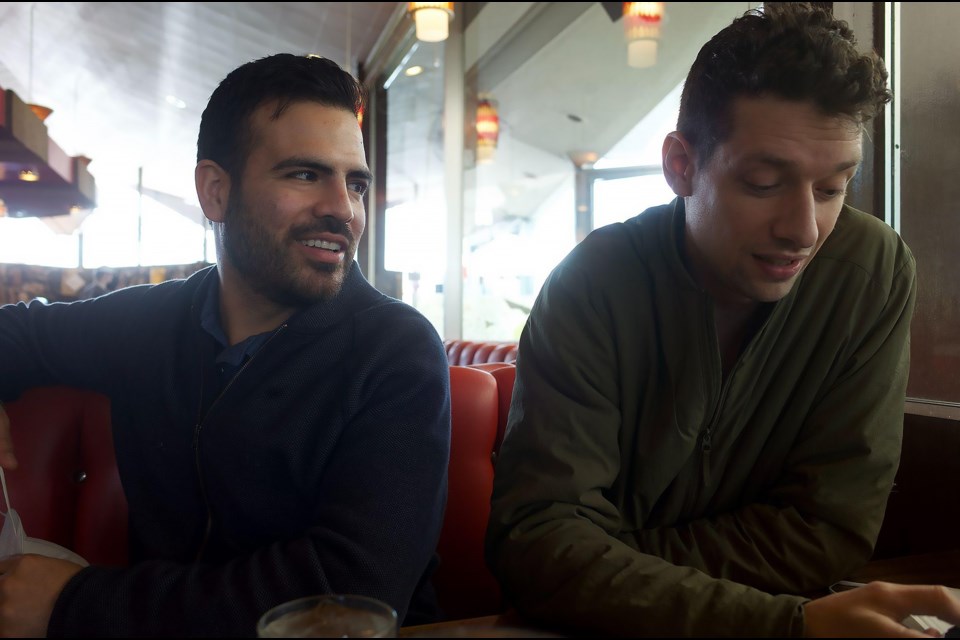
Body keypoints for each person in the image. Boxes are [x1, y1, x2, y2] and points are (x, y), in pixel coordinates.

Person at [485, 4, 960, 637]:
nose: (804, 230)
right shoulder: (595, 282)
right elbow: (539, 542)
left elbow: (829, 530)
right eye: (764, 182)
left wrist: (607, 574)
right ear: (680, 165)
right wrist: (783, 625)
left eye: (832, 188)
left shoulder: (871, 273)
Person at [0, 53, 451, 637]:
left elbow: (350, 594)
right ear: (215, 191)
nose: (344, 209)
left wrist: (77, 604)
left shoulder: (397, 349)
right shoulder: (150, 323)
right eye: (305, 174)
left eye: (356, 182)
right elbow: (15, 331)